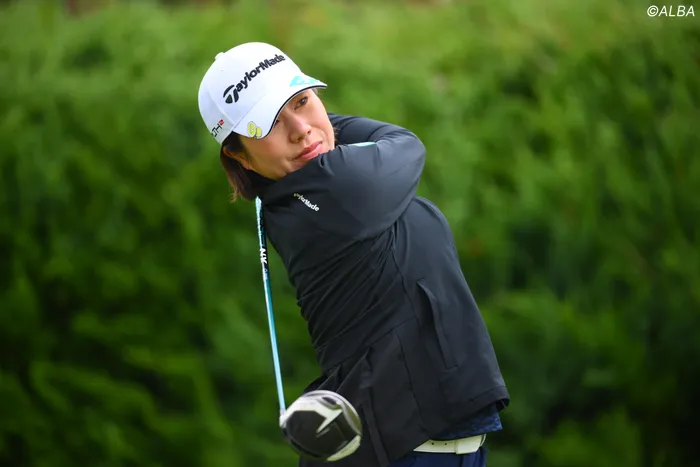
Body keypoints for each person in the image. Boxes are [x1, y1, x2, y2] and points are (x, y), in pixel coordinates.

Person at [197, 42, 510, 467]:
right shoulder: (340, 190)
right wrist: (320, 124)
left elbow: (317, 134)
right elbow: (404, 143)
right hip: (405, 453)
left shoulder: (294, 197)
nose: (299, 129)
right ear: (239, 156)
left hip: (422, 446)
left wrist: (314, 125)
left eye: (302, 101)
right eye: (269, 123)